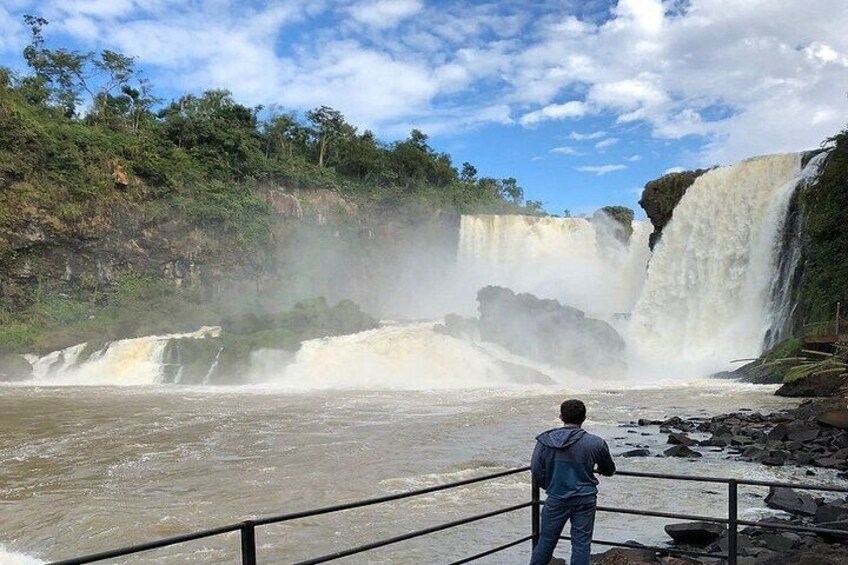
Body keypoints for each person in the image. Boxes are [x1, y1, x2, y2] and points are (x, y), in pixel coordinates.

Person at [529, 399, 616, 565]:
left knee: (545, 542)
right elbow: (609, 469)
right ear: (584, 418)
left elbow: (536, 468)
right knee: (581, 544)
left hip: (556, 497)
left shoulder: (545, 441)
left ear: (561, 416)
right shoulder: (596, 442)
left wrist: (549, 484)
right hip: (585, 498)